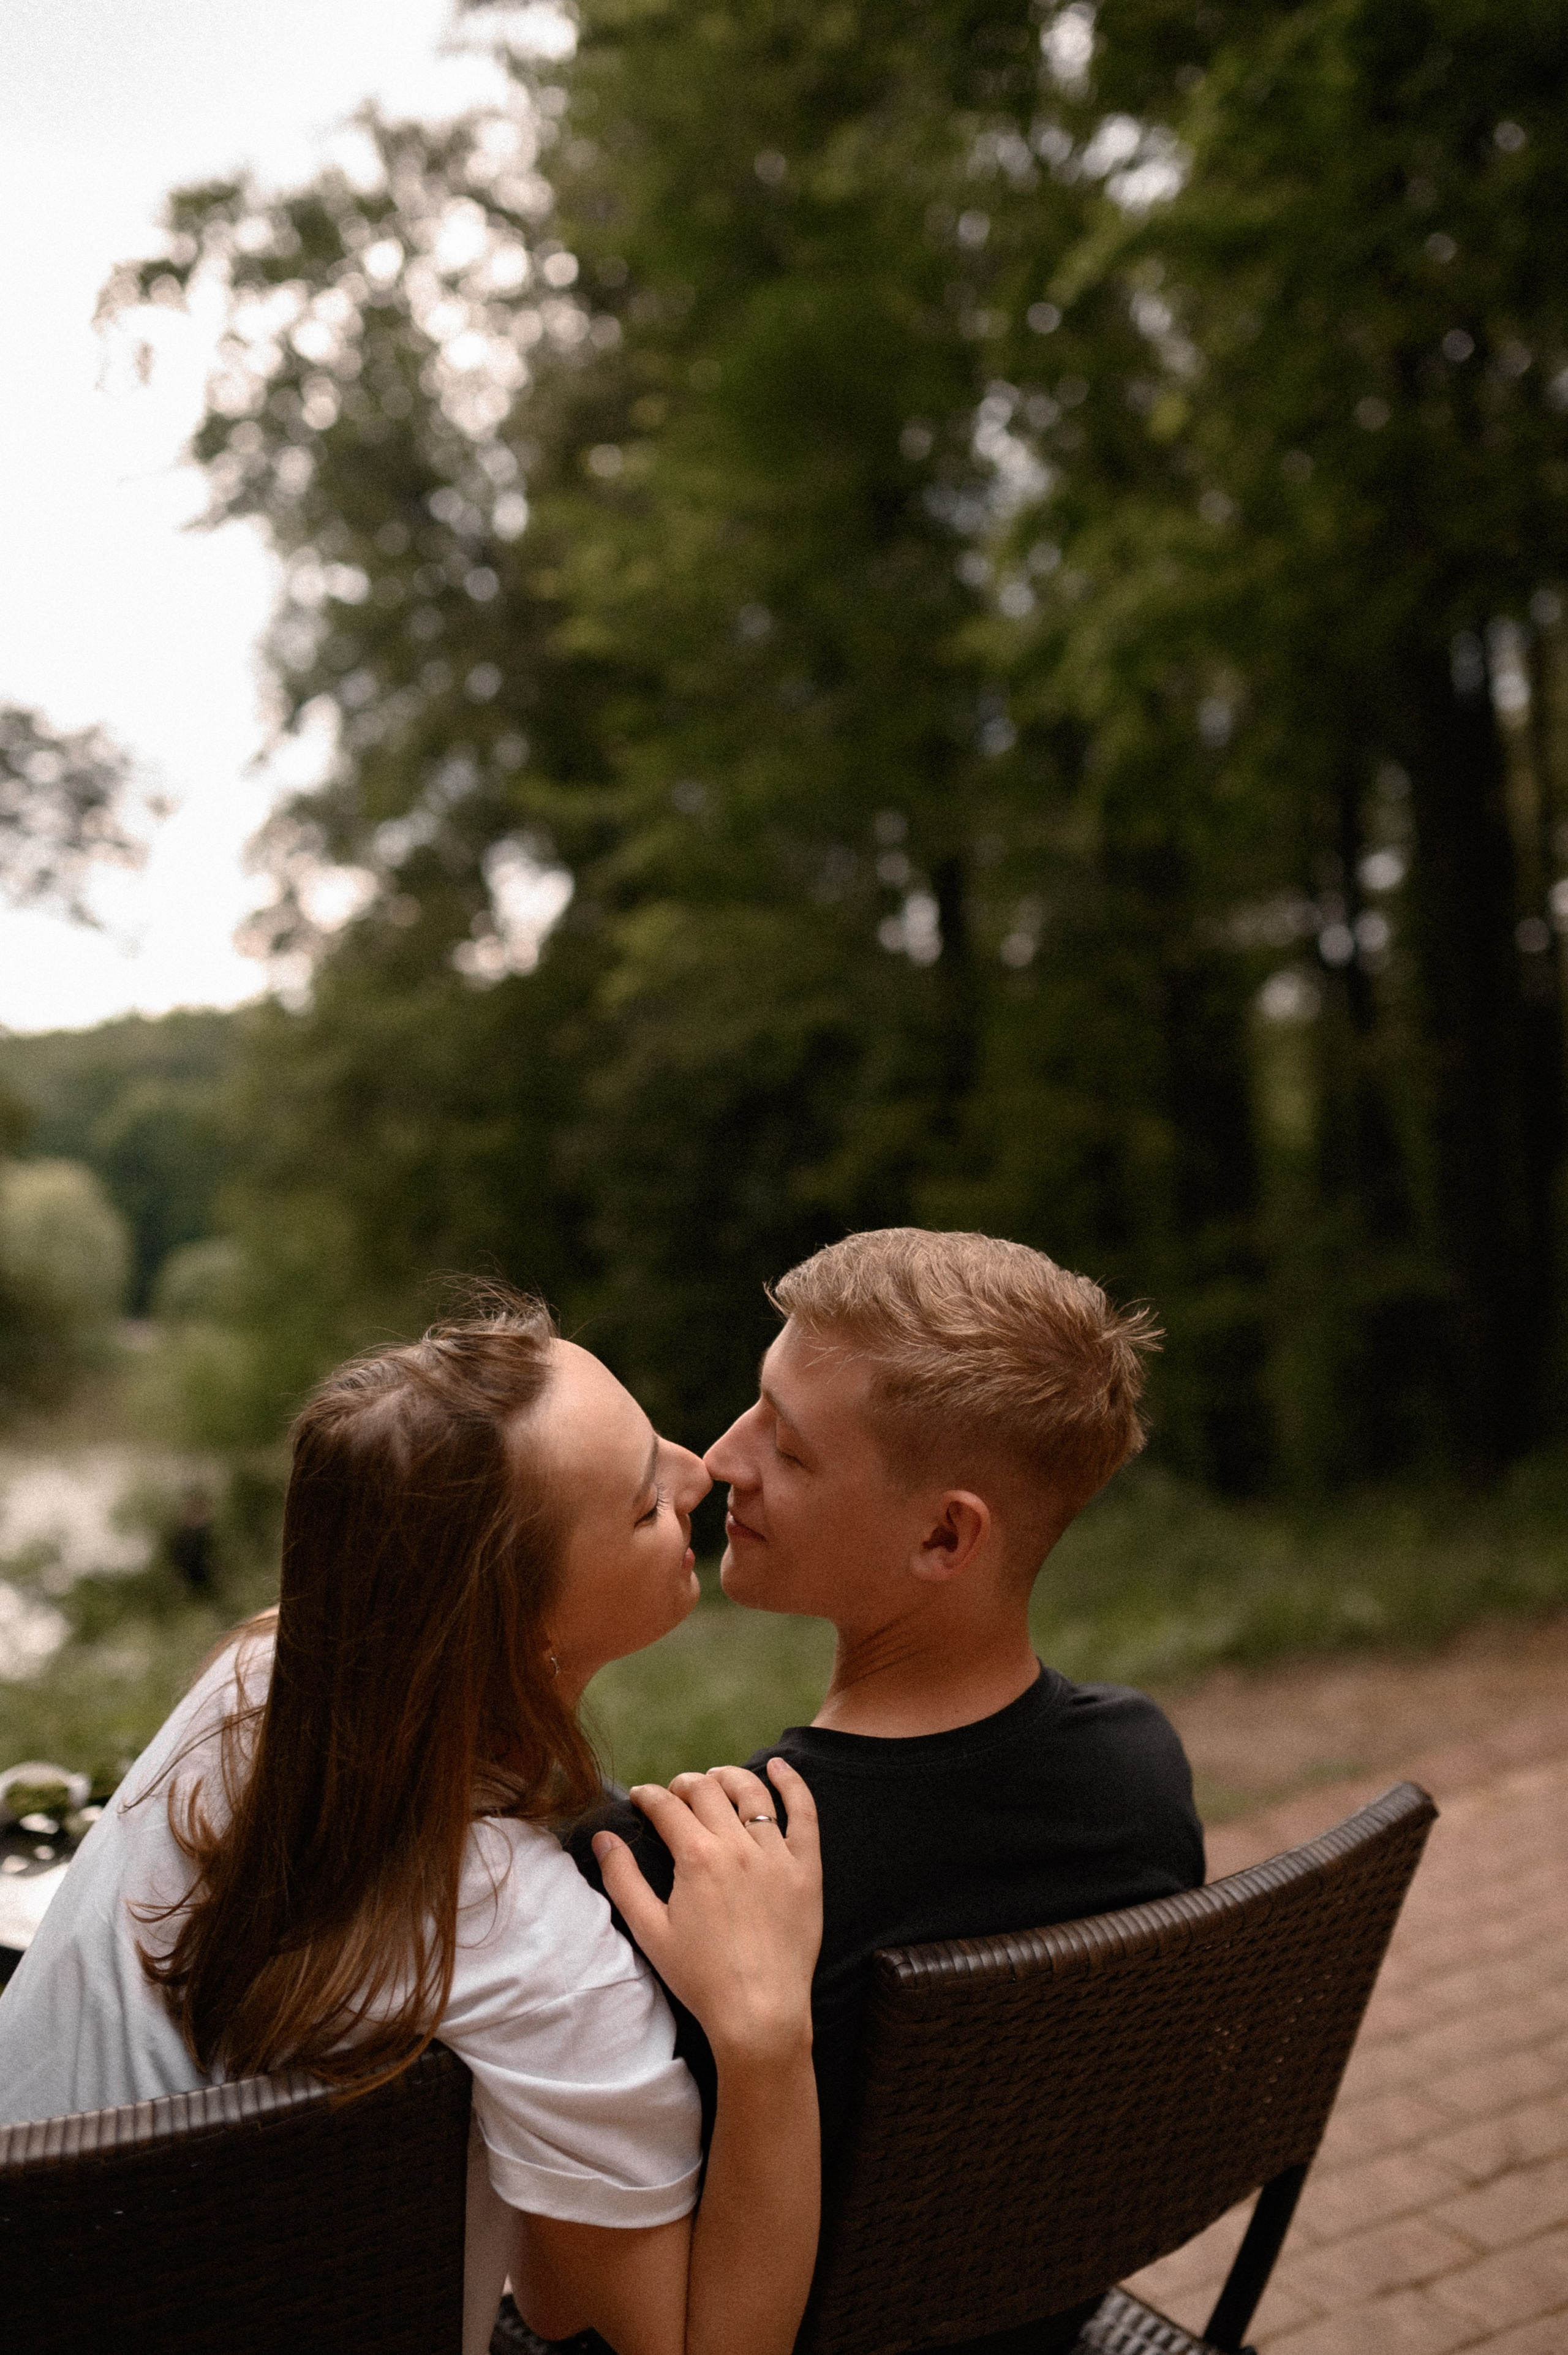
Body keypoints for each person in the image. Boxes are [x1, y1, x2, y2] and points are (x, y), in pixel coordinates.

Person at [0, 1293, 823, 2355]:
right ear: (518, 1627)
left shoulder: (263, 1677)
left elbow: (560, 2290)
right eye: (642, 1506)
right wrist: (767, 2034)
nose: (696, 1473)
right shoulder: (523, 1934)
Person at [573, 1229, 1205, 2210]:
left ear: (945, 1535)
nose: (722, 1458)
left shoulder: (701, 1876)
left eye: (788, 1447)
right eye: (757, 1405)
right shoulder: (1140, 1762)